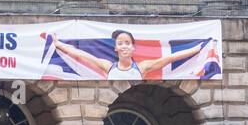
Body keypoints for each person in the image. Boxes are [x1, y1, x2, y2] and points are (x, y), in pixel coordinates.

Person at [47, 27, 207, 79]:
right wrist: (58, 44)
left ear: (133, 48)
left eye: (127, 43)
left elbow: (169, 58)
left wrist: (198, 48)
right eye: (120, 43)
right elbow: (80, 54)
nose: (124, 46)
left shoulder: (142, 67)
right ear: (115, 48)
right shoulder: (108, 66)